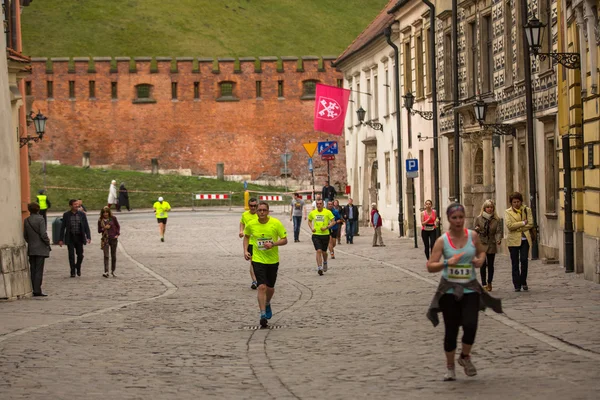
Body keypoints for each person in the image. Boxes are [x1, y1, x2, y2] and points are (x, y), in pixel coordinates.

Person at [426, 203, 502, 381]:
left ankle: (465, 356)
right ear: (449, 219)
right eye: (454, 218)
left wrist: (479, 260)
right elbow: (430, 266)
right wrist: (447, 263)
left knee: (470, 325)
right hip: (449, 291)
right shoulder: (442, 241)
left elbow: (482, 252)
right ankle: (450, 366)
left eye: (461, 217)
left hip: (470, 289)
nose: (458, 221)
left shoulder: (472, 236)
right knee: (451, 330)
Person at [243, 201, 288, 328]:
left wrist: (273, 244)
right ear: (256, 212)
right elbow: (246, 236)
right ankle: (262, 314)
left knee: (270, 288)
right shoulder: (251, 224)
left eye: (264, 210)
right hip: (258, 259)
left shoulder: (275, 223)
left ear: (268, 211)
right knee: (261, 286)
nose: (262, 212)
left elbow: (285, 240)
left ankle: (267, 303)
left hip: (272, 260)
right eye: (259, 210)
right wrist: (246, 251)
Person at [505, 192, 534, 292]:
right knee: (515, 263)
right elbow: (509, 225)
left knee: (524, 260)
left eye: (518, 201)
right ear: (511, 203)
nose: (516, 204)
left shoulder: (526, 210)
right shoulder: (508, 212)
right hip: (513, 241)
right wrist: (522, 223)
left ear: (521, 201)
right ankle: (517, 284)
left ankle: (523, 281)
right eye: (514, 202)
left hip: (525, 239)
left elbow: (530, 224)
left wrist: (517, 227)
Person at [474, 200, 502, 292]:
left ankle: (489, 282)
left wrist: (498, 239)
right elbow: (475, 229)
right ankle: (484, 284)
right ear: (484, 208)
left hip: (491, 243)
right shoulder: (479, 218)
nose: (490, 209)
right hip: (481, 242)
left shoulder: (496, 220)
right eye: (488, 207)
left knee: (490, 264)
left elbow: (498, 231)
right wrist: (477, 229)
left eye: (491, 207)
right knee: (482, 264)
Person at [23, 202, 51, 296]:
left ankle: (33, 287)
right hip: (40, 248)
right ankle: (37, 290)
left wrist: (31, 242)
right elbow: (43, 234)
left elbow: (25, 235)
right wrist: (47, 242)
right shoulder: (40, 219)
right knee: (39, 270)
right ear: (38, 209)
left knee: (33, 269)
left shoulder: (27, 220)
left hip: (31, 248)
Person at [59, 199, 92, 277]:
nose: (77, 206)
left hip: (79, 237)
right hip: (70, 237)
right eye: (75, 204)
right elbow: (62, 227)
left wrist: (88, 236)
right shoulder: (66, 215)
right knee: (71, 255)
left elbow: (86, 226)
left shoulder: (82, 214)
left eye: (77, 204)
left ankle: (78, 266)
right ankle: (72, 271)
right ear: (70, 206)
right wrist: (60, 239)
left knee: (80, 255)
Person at [307, 198, 337, 275]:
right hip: (316, 235)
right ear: (316, 205)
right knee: (318, 250)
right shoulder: (313, 213)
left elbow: (333, 222)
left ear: (323, 205)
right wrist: (311, 228)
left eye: (320, 204)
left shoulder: (327, 212)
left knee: (324, 252)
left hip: (325, 234)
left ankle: (325, 262)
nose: (319, 205)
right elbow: (309, 221)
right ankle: (319, 267)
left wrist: (326, 227)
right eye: (317, 204)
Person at [240, 197, 259, 289]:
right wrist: (241, 231)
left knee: (261, 262)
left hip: (260, 243)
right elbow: (242, 223)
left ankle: (262, 279)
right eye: (251, 206)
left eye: (255, 206)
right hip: (250, 242)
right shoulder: (245, 215)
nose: (253, 208)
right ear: (249, 206)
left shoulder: (260, 214)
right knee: (253, 262)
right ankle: (255, 281)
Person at [98, 207, 120, 278]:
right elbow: (99, 230)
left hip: (113, 238)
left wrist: (117, 234)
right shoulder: (100, 220)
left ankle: (113, 270)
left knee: (113, 255)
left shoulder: (113, 218)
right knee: (106, 255)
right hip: (105, 239)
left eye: (106, 212)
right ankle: (106, 271)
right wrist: (104, 228)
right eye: (104, 212)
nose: (105, 214)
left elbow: (118, 226)